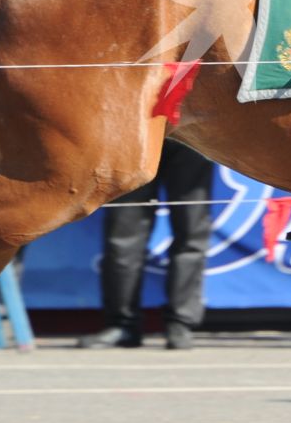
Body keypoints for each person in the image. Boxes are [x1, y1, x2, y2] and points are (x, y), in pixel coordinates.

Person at [84, 140, 213, 350]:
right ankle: (122, 324)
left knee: (191, 233)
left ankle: (181, 323)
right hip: (136, 134)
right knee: (122, 238)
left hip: (191, 134)